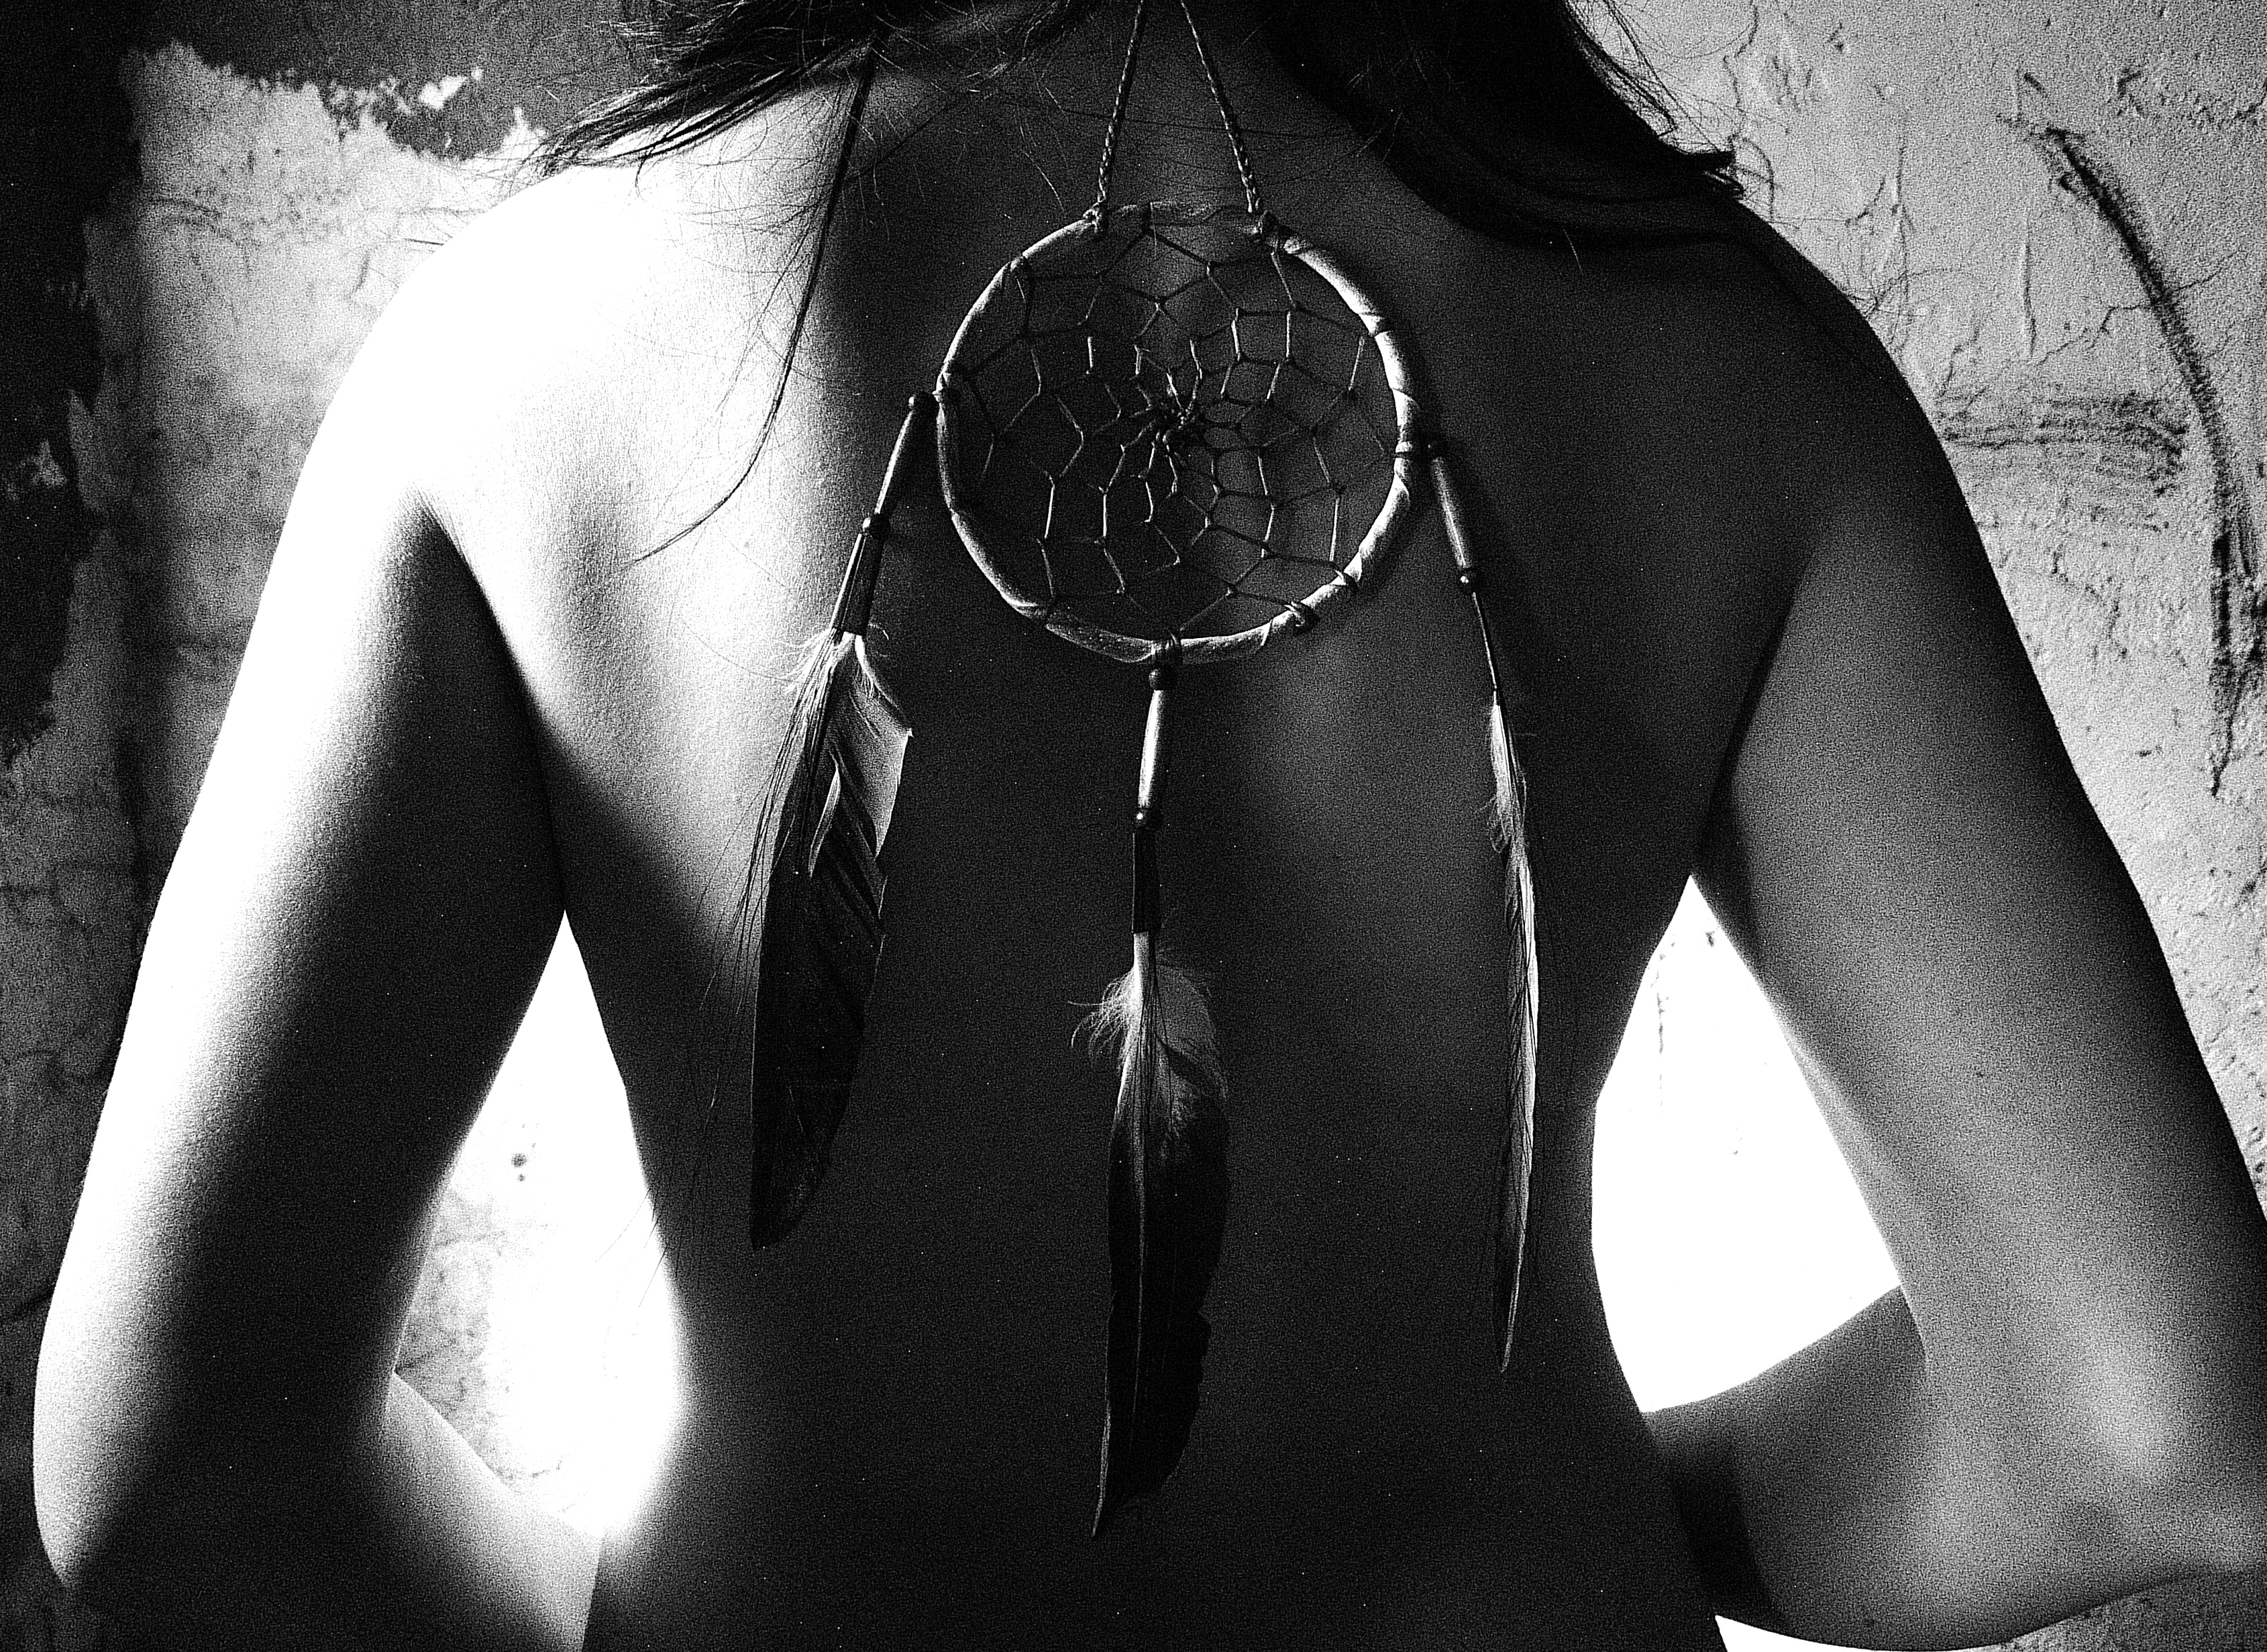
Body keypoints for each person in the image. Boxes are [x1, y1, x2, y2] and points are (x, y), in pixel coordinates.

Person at [32, 1, 2267, 1647]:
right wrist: (1613, 1500)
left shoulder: (526, 344)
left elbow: (165, 1472)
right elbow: (2151, 1424)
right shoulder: (1727, 360)